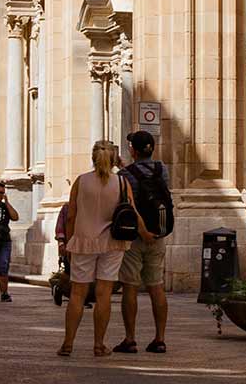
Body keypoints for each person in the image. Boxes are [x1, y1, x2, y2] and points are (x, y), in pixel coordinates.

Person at [58, 140, 134, 357]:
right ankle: (99, 345)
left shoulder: (81, 182)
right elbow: (129, 209)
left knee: (77, 294)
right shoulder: (121, 183)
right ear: (113, 160)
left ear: (93, 158)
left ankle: (68, 343)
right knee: (104, 295)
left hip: (83, 242)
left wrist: (70, 243)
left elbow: (71, 215)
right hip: (112, 242)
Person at [115, 130, 174, 354]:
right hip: (158, 236)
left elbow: (128, 203)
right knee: (156, 286)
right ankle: (159, 338)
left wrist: (122, 168)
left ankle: (130, 339)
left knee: (130, 287)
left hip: (136, 237)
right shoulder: (162, 170)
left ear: (133, 150)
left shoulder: (125, 174)